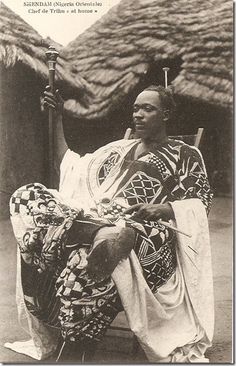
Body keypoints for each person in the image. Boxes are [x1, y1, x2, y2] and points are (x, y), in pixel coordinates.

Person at [6, 84, 214, 363]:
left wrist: (163, 208)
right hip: (97, 219)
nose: (138, 114)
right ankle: (94, 233)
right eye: (136, 108)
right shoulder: (119, 149)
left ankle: (91, 241)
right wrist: (57, 117)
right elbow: (72, 166)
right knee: (27, 195)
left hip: (144, 230)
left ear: (166, 114)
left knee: (101, 248)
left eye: (148, 109)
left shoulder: (185, 154)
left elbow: (201, 203)